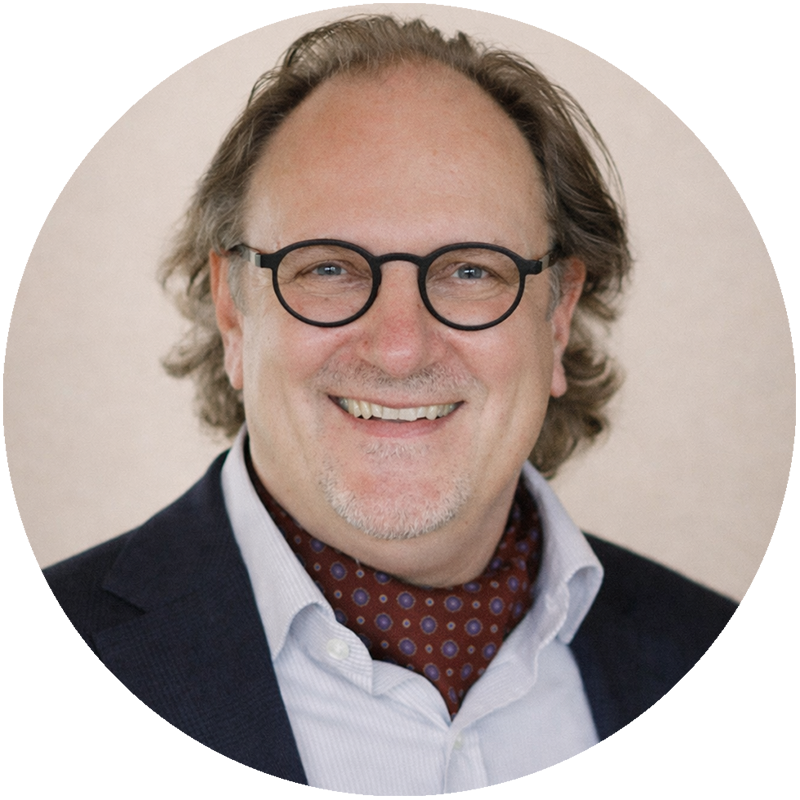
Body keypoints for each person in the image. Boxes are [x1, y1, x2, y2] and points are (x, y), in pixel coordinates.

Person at [42, 15, 739, 795]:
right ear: (233, 311)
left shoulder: (738, 673)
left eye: (471, 271)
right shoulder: (29, 674)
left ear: (558, 315)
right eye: (329, 268)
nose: (400, 348)